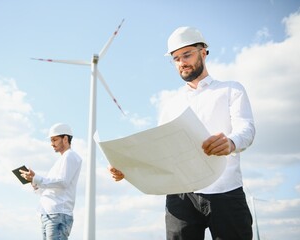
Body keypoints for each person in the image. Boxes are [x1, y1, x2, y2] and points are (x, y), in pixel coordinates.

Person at [109, 26, 255, 240]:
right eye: (176, 58)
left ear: (203, 52)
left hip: (226, 191)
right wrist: (128, 169)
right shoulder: (171, 103)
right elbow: (158, 151)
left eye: (187, 55)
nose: (182, 62)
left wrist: (231, 142)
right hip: (180, 196)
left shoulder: (231, 89)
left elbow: (247, 128)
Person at [20, 123, 82, 240]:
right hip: (49, 214)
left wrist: (37, 178)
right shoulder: (62, 160)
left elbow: (63, 182)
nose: (51, 143)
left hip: (58, 214)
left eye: (54, 139)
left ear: (65, 139)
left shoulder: (70, 156)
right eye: (51, 140)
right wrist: (33, 182)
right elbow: (51, 187)